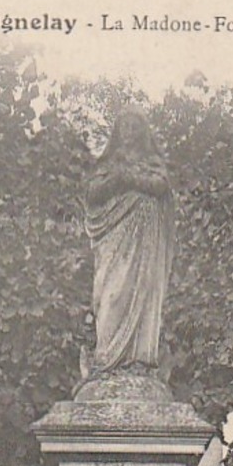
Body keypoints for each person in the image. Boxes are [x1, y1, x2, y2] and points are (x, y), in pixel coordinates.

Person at [83, 106, 175, 378]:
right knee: (111, 293)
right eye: (125, 127)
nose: (129, 132)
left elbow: (160, 185)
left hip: (146, 240)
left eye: (135, 127)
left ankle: (138, 358)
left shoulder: (153, 162)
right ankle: (107, 356)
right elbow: (93, 193)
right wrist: (118, 179)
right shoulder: (108, 164)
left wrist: (129, 178)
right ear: (117, 132)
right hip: (115, 236)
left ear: (143, 132)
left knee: (143, 290)